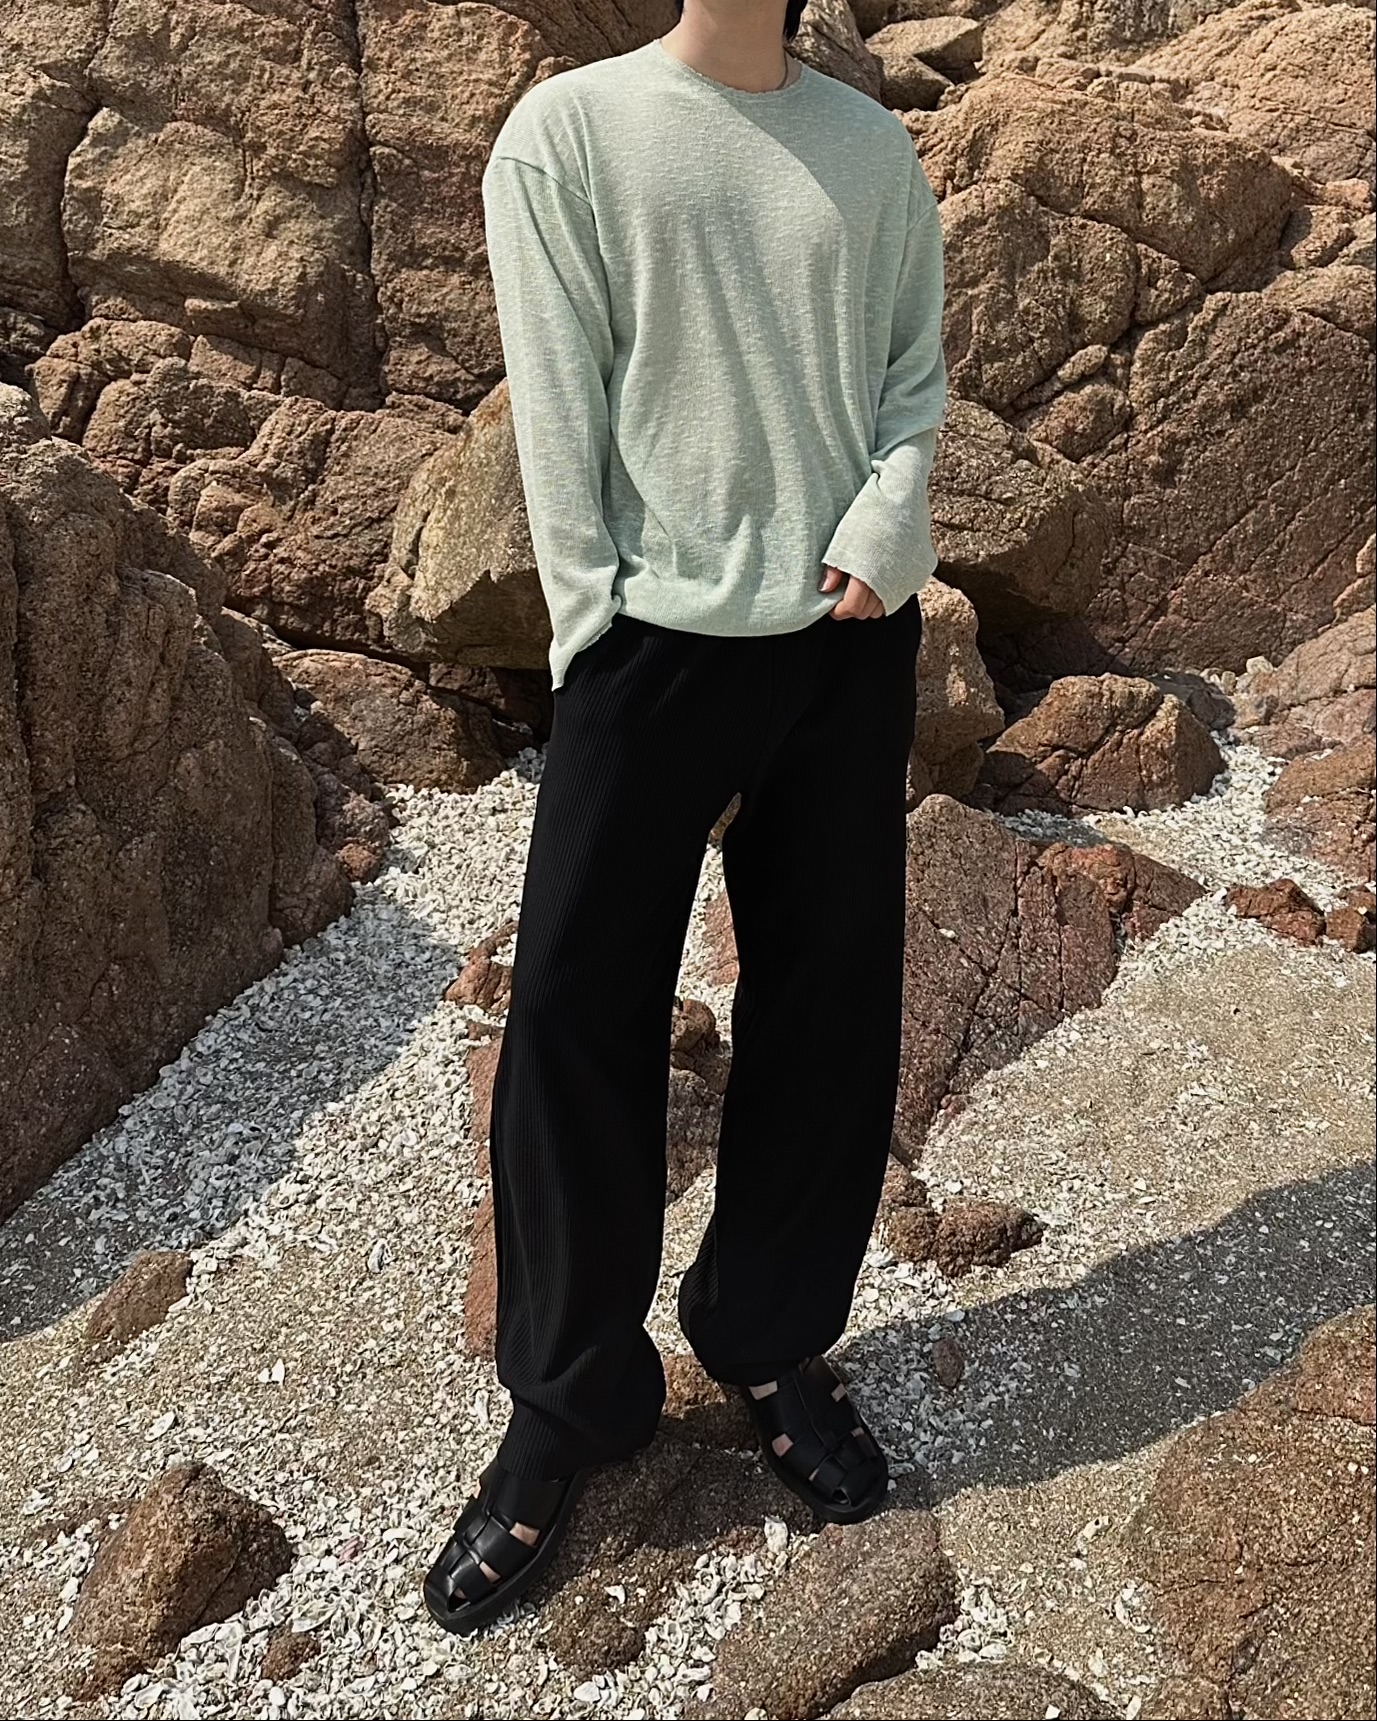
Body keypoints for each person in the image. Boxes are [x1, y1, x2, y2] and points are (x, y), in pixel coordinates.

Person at [423, 0, 947, 1635]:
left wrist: (889, 529)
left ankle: (769, 1342)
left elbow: (910, 380)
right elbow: (557, 404)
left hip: (844, 638)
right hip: (646, 648)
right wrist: (591, 625)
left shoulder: (870, 148)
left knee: (827, 1009)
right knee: (573, 1017)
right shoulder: (568, 132)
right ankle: (569, 1399)